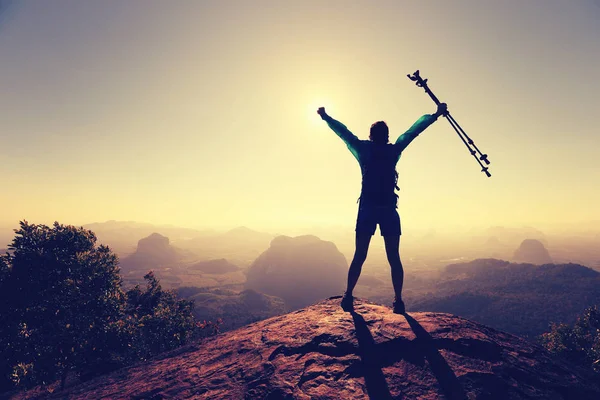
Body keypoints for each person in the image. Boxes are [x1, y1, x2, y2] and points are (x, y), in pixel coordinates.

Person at [317, 102, 447, 314]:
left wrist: (326, 117)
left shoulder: (363, 149)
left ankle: (348, 296)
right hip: (388, 208)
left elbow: (344, 133)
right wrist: (435, 115)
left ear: (370, 135)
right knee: (393, 257)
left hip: (367, 208)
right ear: (387, 136)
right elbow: (412, 132)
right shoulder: (393, 150)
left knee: (360, 254)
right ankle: (398, 301)